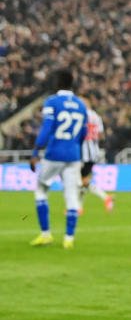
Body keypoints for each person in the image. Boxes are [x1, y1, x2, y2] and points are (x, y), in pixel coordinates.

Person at [30, 69, 88, 249]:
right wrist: (74, 145)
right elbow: (84, 133)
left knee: (41, 190)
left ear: (57, 83)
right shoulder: (81, 104)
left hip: (54, 153)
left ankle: (46, 234)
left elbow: (47, 129)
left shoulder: (52, 102)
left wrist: (36, 151)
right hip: (73, 155)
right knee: (71, 196)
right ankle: (69, 239)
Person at [79, 96, 114, 213]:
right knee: (82, 180)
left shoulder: (81, 116)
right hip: (93, 152)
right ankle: (79, 207)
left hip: (82, 153)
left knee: (78, 180)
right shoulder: (96, 117)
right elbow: (100, 135)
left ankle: (104, 197)